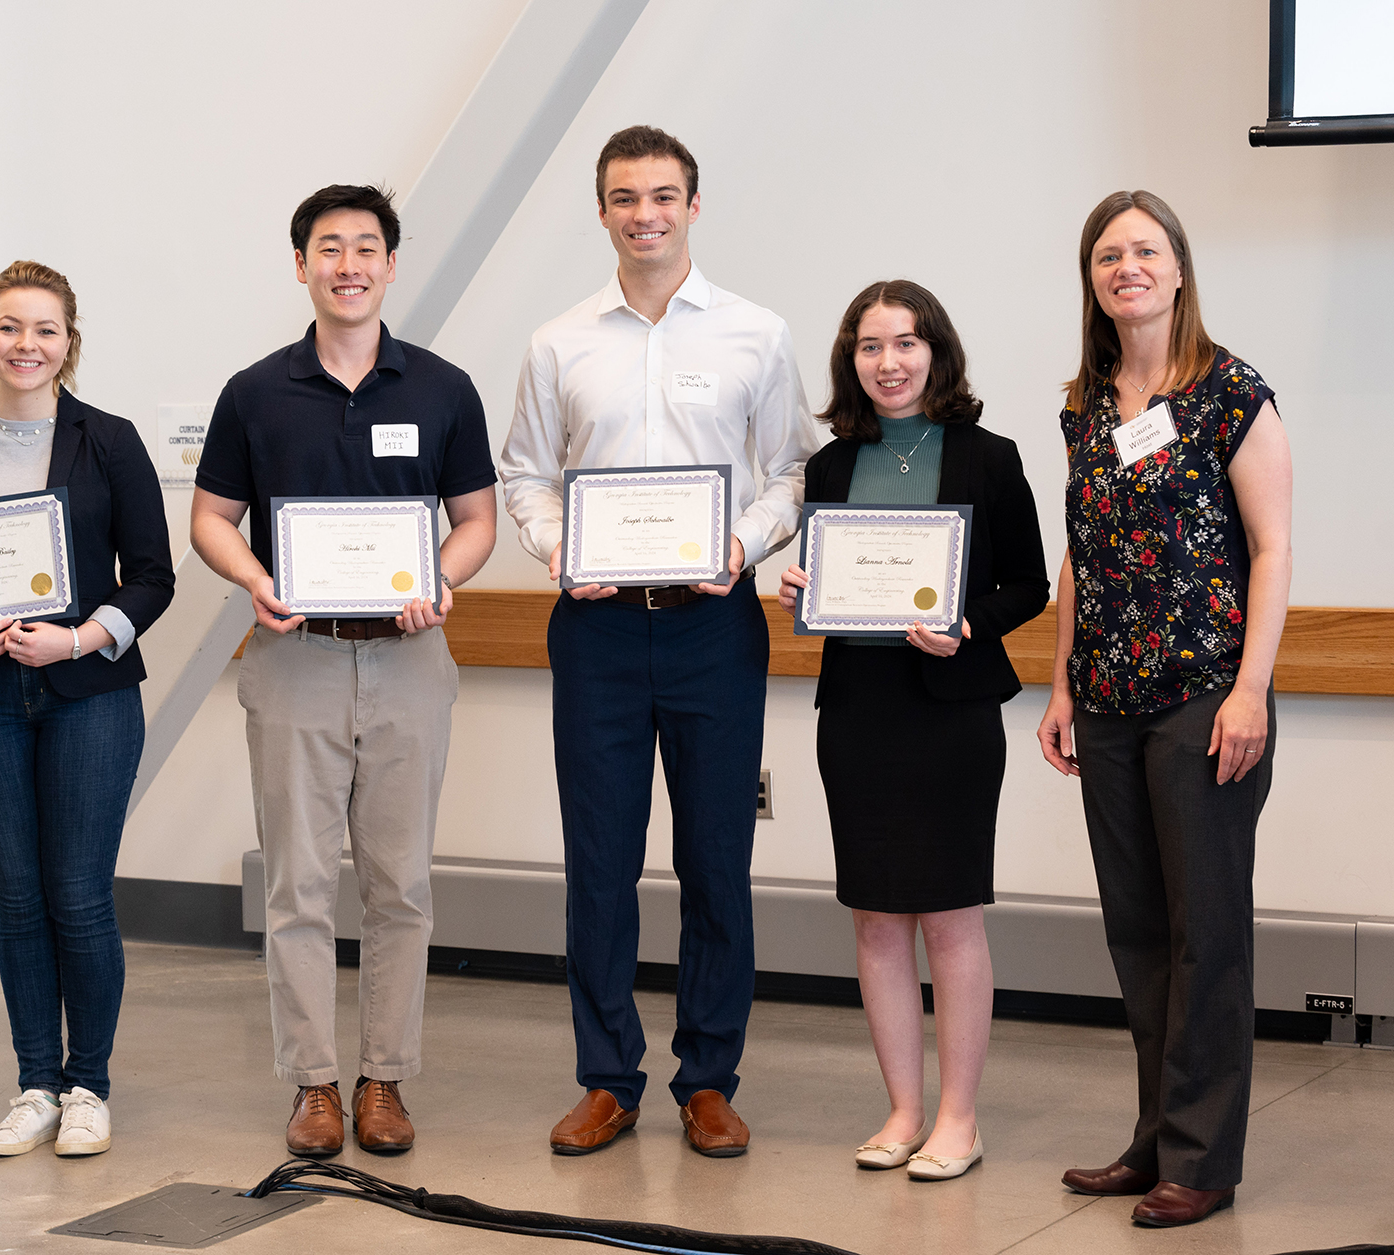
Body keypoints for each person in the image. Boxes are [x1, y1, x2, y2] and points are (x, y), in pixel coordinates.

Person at [499, 125, 822, 1157]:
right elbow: (523, 476)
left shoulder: (754, 334)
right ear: (600, 211)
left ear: (692, 206)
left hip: (711, 629)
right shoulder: (557, 342)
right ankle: (607, 1077)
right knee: (597, 862)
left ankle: (707, 1079)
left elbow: (790, 472)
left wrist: (738, 541)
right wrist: (557, 549)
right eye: (625, 196)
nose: (645, 212)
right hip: (592, 628)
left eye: (663, 194)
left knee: (715, 860)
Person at [190, 184, 497, 1157]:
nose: (348, 263)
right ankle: (314, 1081)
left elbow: (476, 521)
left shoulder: (442, 388)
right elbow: (209, 519)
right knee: (297, 887)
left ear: (390, 264)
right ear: (301, 265)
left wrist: (438, 582)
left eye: (366, 246)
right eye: (329, 247)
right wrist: (253, 578)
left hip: (408, 660)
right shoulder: (255, 391)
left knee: (400, 885)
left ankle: (384, 1079)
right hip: (294, 656)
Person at [1038, 191, 1292, 1228]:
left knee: (1205, 935)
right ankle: (1152, 1139)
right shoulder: (1085, 404)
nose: (1125, 267)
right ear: (1091, 278)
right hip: (1105, 700)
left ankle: (1202, 1155)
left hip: (1201, 697)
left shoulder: (1230, 392)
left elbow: (1271, 547)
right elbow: (1078, 555)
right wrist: (1057, 684)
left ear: (1178, 269)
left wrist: (1248, 690)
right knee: (1138, 932)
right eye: (1107, 254)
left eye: (1144, 250)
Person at [0, 261, 174, 1158]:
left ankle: (88, 1083)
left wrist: (79, 638)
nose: (27, 345)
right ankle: (34, 1086)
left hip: (86, 694)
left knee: (81, 897)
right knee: (17, 900)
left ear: (69, 342)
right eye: (10, 328)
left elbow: (155, 579)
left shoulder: (112, 441)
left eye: (45, 330)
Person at [777, 281, 1048, 1181]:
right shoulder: (828, 465)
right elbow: (827, 576)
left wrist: (968, 622)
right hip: (858, 710)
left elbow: (1029, 585)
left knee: (952, 919)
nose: (888, 362)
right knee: (877, 920)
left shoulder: (990, 455)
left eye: (905, 342)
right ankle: (902, 1108)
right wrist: (803, 590)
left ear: (936, 350)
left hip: (953, 712)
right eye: (868, 346)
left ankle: (959, 1118)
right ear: (849, 361)